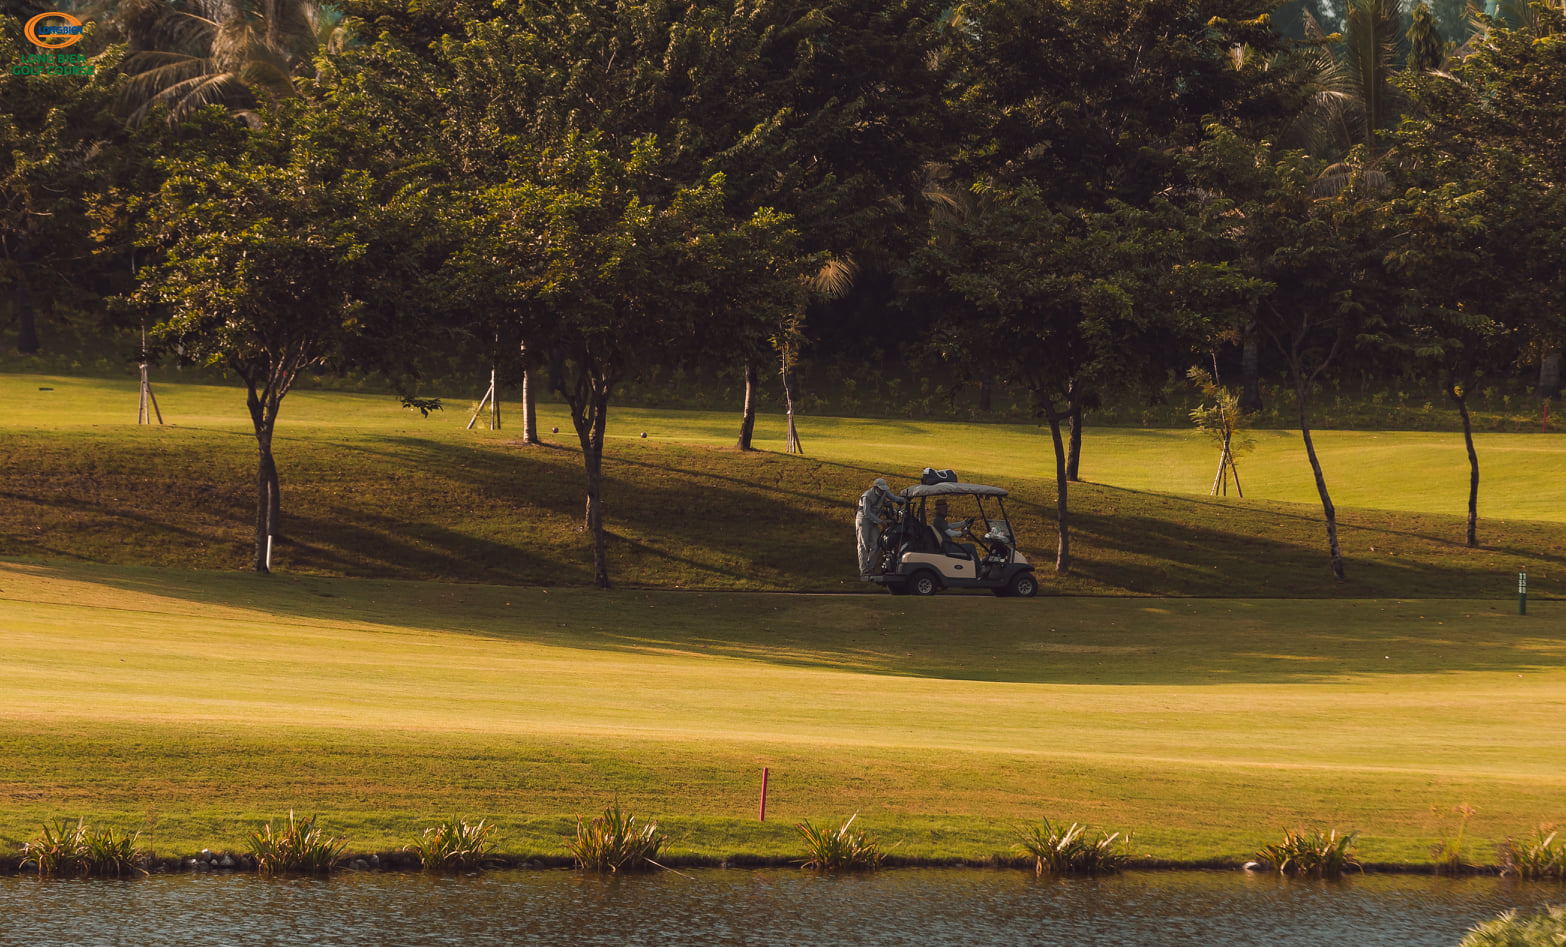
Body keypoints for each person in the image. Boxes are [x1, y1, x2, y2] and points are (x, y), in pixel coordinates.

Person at [856, 478, 899, 578]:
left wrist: (905, 499)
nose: (882, 491)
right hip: (863, 520)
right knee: (863, 545)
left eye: (883, 489)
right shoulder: (867, 496)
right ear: (875, 488)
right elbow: (867, 513)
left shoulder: (884, 492)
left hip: (875, 520)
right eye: (880, 489)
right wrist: (881, 522)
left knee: (877, 544)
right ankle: (864, 571)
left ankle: (870, 568)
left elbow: (894, 498)